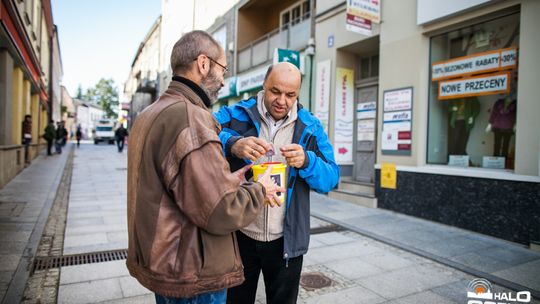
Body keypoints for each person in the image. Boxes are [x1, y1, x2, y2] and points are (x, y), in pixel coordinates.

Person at [126, 30, 284, 304]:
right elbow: (221, 211)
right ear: (203, 64)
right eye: (223, 68)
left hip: (163, 264)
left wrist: (228, 180)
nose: (223, 80)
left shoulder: (149, 114)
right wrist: (260, 189)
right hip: (192, 273)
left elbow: (175, 185)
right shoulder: (191, 117)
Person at [214, 62, 340, 304]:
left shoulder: (311, 127)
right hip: (240, 235)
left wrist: (307, 161)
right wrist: (232, 143)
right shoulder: (237, 113)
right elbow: (202, 129)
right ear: (264, 86)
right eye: (275, 91)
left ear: (298, 93)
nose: (282, 100)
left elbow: (331, 178)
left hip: (286, 241)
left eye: (290, 94)